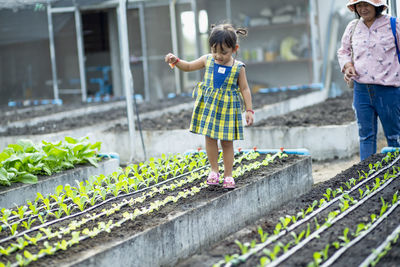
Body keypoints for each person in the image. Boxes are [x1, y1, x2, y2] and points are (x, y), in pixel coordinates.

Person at [165, 23, 254, 189]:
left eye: (223, 52)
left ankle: (228, 175)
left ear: (234, 49)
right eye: (214, 50)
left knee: (227, 142)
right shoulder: (207, 60)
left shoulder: (238, 68)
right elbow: (189, 66)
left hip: (228, 110)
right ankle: (214, 170)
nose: (218, 56)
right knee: (210, 138)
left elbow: (245, 88)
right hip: (210, 108)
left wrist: (249, 110)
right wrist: (176, 61)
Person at [337, 0, 400, 161]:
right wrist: (348, 65)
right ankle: (368, 178)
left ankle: (396, 176)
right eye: (359, 6)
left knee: (394, 136)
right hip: (362, 90)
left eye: (367, 5)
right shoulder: (353, 27)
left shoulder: (393, 24)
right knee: (366, 136)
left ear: (376, 6)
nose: (363, 9)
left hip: (388, 90)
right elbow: (343, 51)